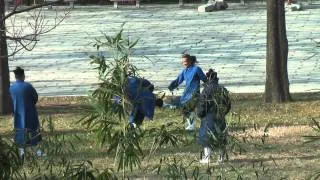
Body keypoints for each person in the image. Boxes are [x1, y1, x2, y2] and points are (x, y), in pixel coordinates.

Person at [196, 69, 231, 164]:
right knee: (221, 136)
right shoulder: (223, 89)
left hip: (208, 117)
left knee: (206, 137)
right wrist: (223, 113)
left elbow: (202, 104)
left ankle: (207, 158)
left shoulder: (207, 90)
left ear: (208, 78)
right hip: (220, 117)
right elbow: (228, 104)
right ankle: (221, 158)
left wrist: (200, 114)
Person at [9, 67, 44, 158]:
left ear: (15, 77)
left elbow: (11, 101)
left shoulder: (12, 88)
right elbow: (35, 98)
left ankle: (21, 151)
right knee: (33, 130)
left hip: (18, 114)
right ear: (23, 76)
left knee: (20, 130)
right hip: (30, 113)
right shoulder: (28, 86)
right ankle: (37, 151)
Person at [168, 54, 207, 131]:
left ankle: (192, 125)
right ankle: (191, 125)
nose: (184, 63)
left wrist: (209, 87)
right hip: (186, 94)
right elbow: (178, 80)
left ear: (190, 61)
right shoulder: (184, 71)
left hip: (194, 94)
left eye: (185, 61)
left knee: (189, 108)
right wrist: (171, 86)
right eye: (183, 62)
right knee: (184, 108)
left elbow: (204, 79)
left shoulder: (197, 69)